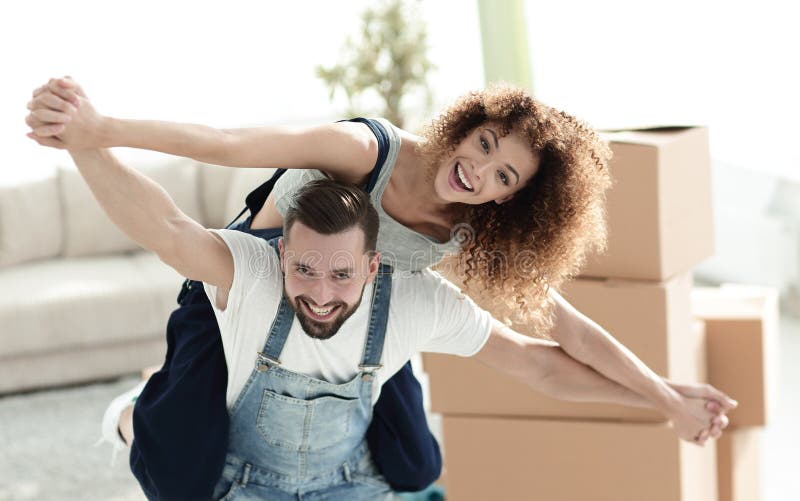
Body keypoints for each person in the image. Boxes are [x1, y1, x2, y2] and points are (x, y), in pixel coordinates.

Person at [26, 77, 737, 498]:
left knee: (413, 462)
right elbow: (230, 143)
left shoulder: (460, 236)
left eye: (503, 177)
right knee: (181, 473)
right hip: (244, 297)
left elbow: (561, 341)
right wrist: (98, 128)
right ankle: (133, 410)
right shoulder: (368, 150)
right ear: (468, 122)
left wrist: (666, 397)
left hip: (360, 313)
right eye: (485, 144)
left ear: (509, 201)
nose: (479, 171)